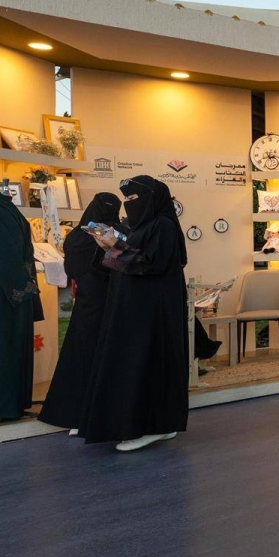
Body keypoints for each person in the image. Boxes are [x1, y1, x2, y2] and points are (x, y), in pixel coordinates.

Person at [79, 176, 188, 452]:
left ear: (152, 198)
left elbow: (151, 264)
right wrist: (109, 245)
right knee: (138, 362)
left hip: (152, 313)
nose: (128, 204)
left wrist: (114, 247)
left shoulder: (163, 226)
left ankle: (151, 426)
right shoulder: (142, 226)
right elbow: (133, 259)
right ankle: (158, 424)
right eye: (125, 199)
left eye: (133, 198)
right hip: (136, 310)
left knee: (147, 363)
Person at [38, 193, 121, 433]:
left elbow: (70, 270)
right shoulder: (115, 234)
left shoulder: (75, 237)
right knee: (108, 361)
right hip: (113, 306)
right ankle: (101, 416)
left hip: (85, 307)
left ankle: (73, 418)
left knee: (79, 360)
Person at [0, 191, 42, 424]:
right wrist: (24, 286)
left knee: (3, 348)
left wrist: (22, 287)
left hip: (5, 292)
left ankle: (5, 406)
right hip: (2, 292)